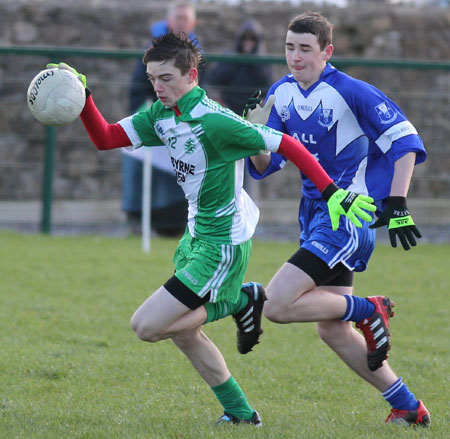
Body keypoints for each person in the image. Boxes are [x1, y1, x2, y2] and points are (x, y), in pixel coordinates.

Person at [47, 32, 375, 426]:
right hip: (194, 239)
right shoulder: (161, 116)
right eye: (152, 78)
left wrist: (331, 191)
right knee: (185, 334)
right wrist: (83, 98)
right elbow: (106, 138)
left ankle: (240, 301)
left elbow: (288, 145)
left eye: (166, 78)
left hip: (221, 247)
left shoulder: (218, 122)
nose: (158, 86)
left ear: (192, 75)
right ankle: (240, 413)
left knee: (147, 327)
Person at [245, 11, 430, 427]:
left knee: (274, 305)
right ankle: (407, 406)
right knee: (331, 329)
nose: (295, 57)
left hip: (349, 214)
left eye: (305, 49)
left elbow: (405, 141)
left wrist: (397, 203)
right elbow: (266, 162)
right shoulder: (280, 93)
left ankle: (370, 308)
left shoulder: (351, 90)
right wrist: (253, 135)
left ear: (327, 51)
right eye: (289, 47)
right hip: (313, 215)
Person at [122, 1, 198, 236]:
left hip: (186, 124)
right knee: (139, 163)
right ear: (169, 20)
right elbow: (138, 86)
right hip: (156, 120)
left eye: (185, 18)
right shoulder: (151, 51)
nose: (181, 22)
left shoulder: (196, 53)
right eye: (178, 17)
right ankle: (137, 219)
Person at [205, 18, 273, 115]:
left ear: (257, 41)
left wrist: (255, 63)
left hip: (253, 110)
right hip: (228, 108)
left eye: (252, 39)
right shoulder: (229, 57)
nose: (248, 42)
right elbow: (214, 80)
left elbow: (268, 87)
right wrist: (232, 63)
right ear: (240, 39)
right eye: (245, 38)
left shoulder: (264, 62)